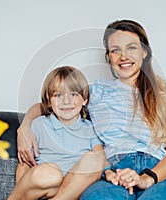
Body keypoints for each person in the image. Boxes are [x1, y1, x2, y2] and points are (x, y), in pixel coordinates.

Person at [17, 19, 166, 200]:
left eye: (131, 48)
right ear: (109, 56)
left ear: (144, 52)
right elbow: (50, 105)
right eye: (116, 50)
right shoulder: (96, 92)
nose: (123, 56)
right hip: (112, 172)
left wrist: (147, 179)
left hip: (157, 173)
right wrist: (24, 127)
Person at [8, 66, 105, 200]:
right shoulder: (39, 124)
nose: (66, 101)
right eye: (58, 95)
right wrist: (20, 191)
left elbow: (100, 158)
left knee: (94, 159)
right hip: (45, 185)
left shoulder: (90, 128)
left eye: (73, 94)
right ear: (49, 101)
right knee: (50, 173)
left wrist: (110, 173)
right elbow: (24, 164)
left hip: (71, 190)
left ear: (84, 100)